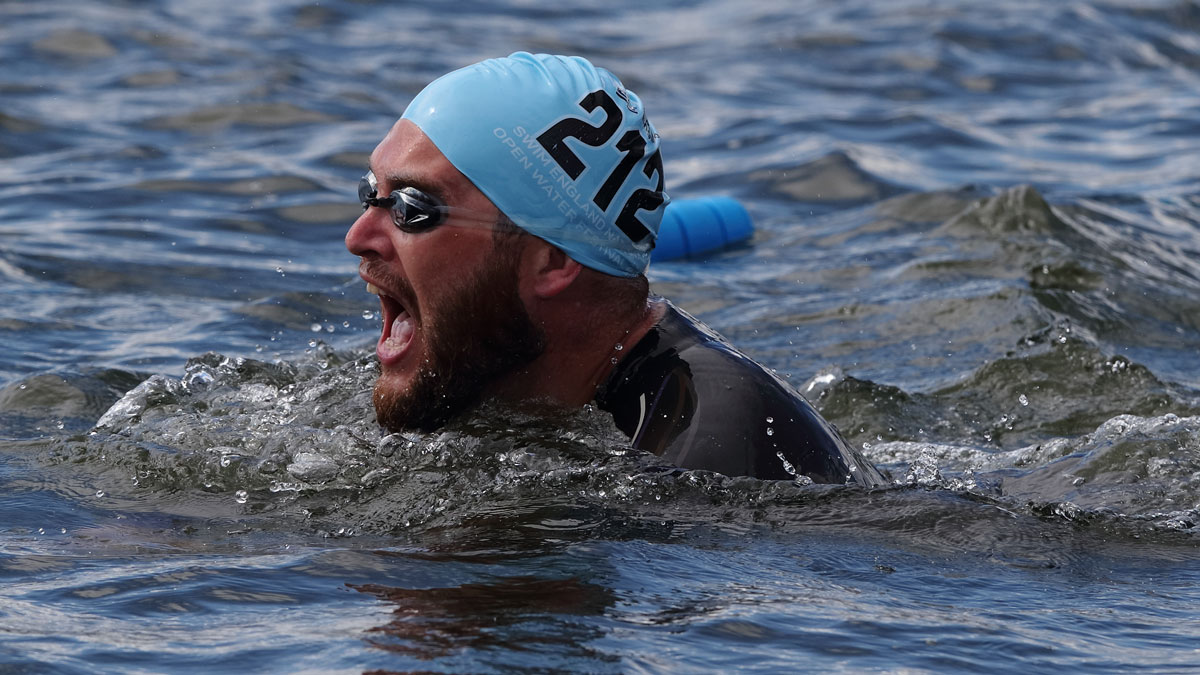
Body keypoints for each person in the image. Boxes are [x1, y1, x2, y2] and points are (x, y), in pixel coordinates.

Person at [345, 52, 884, 487]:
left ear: (552, 262)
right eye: (372, 192)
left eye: (414, 209)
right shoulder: (507, 371)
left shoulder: (719, 461)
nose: (358, 237)